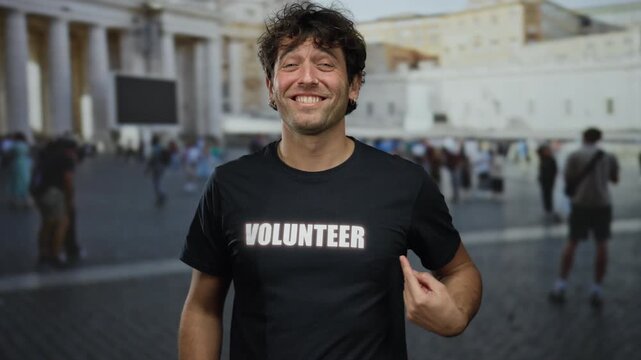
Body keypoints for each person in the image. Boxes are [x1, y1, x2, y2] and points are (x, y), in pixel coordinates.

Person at [178, 3, 482, 359]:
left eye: (325, 64)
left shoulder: (404, 183)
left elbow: (461, 270)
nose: (307, 77)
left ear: (354, 86)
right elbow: (202, 307)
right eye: (290, 64)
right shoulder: (228, 185)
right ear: (271, 87)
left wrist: (457, 313)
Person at [549, 127, 619, 308]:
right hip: (603, 205)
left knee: (572, 243)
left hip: (580, 204)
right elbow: (615, 179)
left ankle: (561, 285)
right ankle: (597, 289)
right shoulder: (608, 156)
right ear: (599, 138)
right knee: (602, 244)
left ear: (583, 138)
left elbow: (568, 178)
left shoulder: (574, 155)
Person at [6, 132, 32, 208]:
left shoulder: (14, 145)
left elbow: (9, 154)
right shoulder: (26, 144)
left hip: (16, 163)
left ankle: (16, 200)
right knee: (25, 181)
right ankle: (26, 199)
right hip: (25, 163)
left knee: (16, 181)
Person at [536, 143, 560, 223]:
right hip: (544, 180)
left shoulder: (550, 159)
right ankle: (547, 209)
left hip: (549, 180)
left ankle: (549, 209)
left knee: (549, 194)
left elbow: (554, 170)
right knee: (546, 194)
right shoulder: (543, 159)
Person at [146, 134, 169, 207]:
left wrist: (148, 169)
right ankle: (161, 194)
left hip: (157, 167)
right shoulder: (160, 147)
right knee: (158, 181)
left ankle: (161, 195)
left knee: (156, 182)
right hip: (162, 166)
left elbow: (152, 159)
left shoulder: (155, 148)